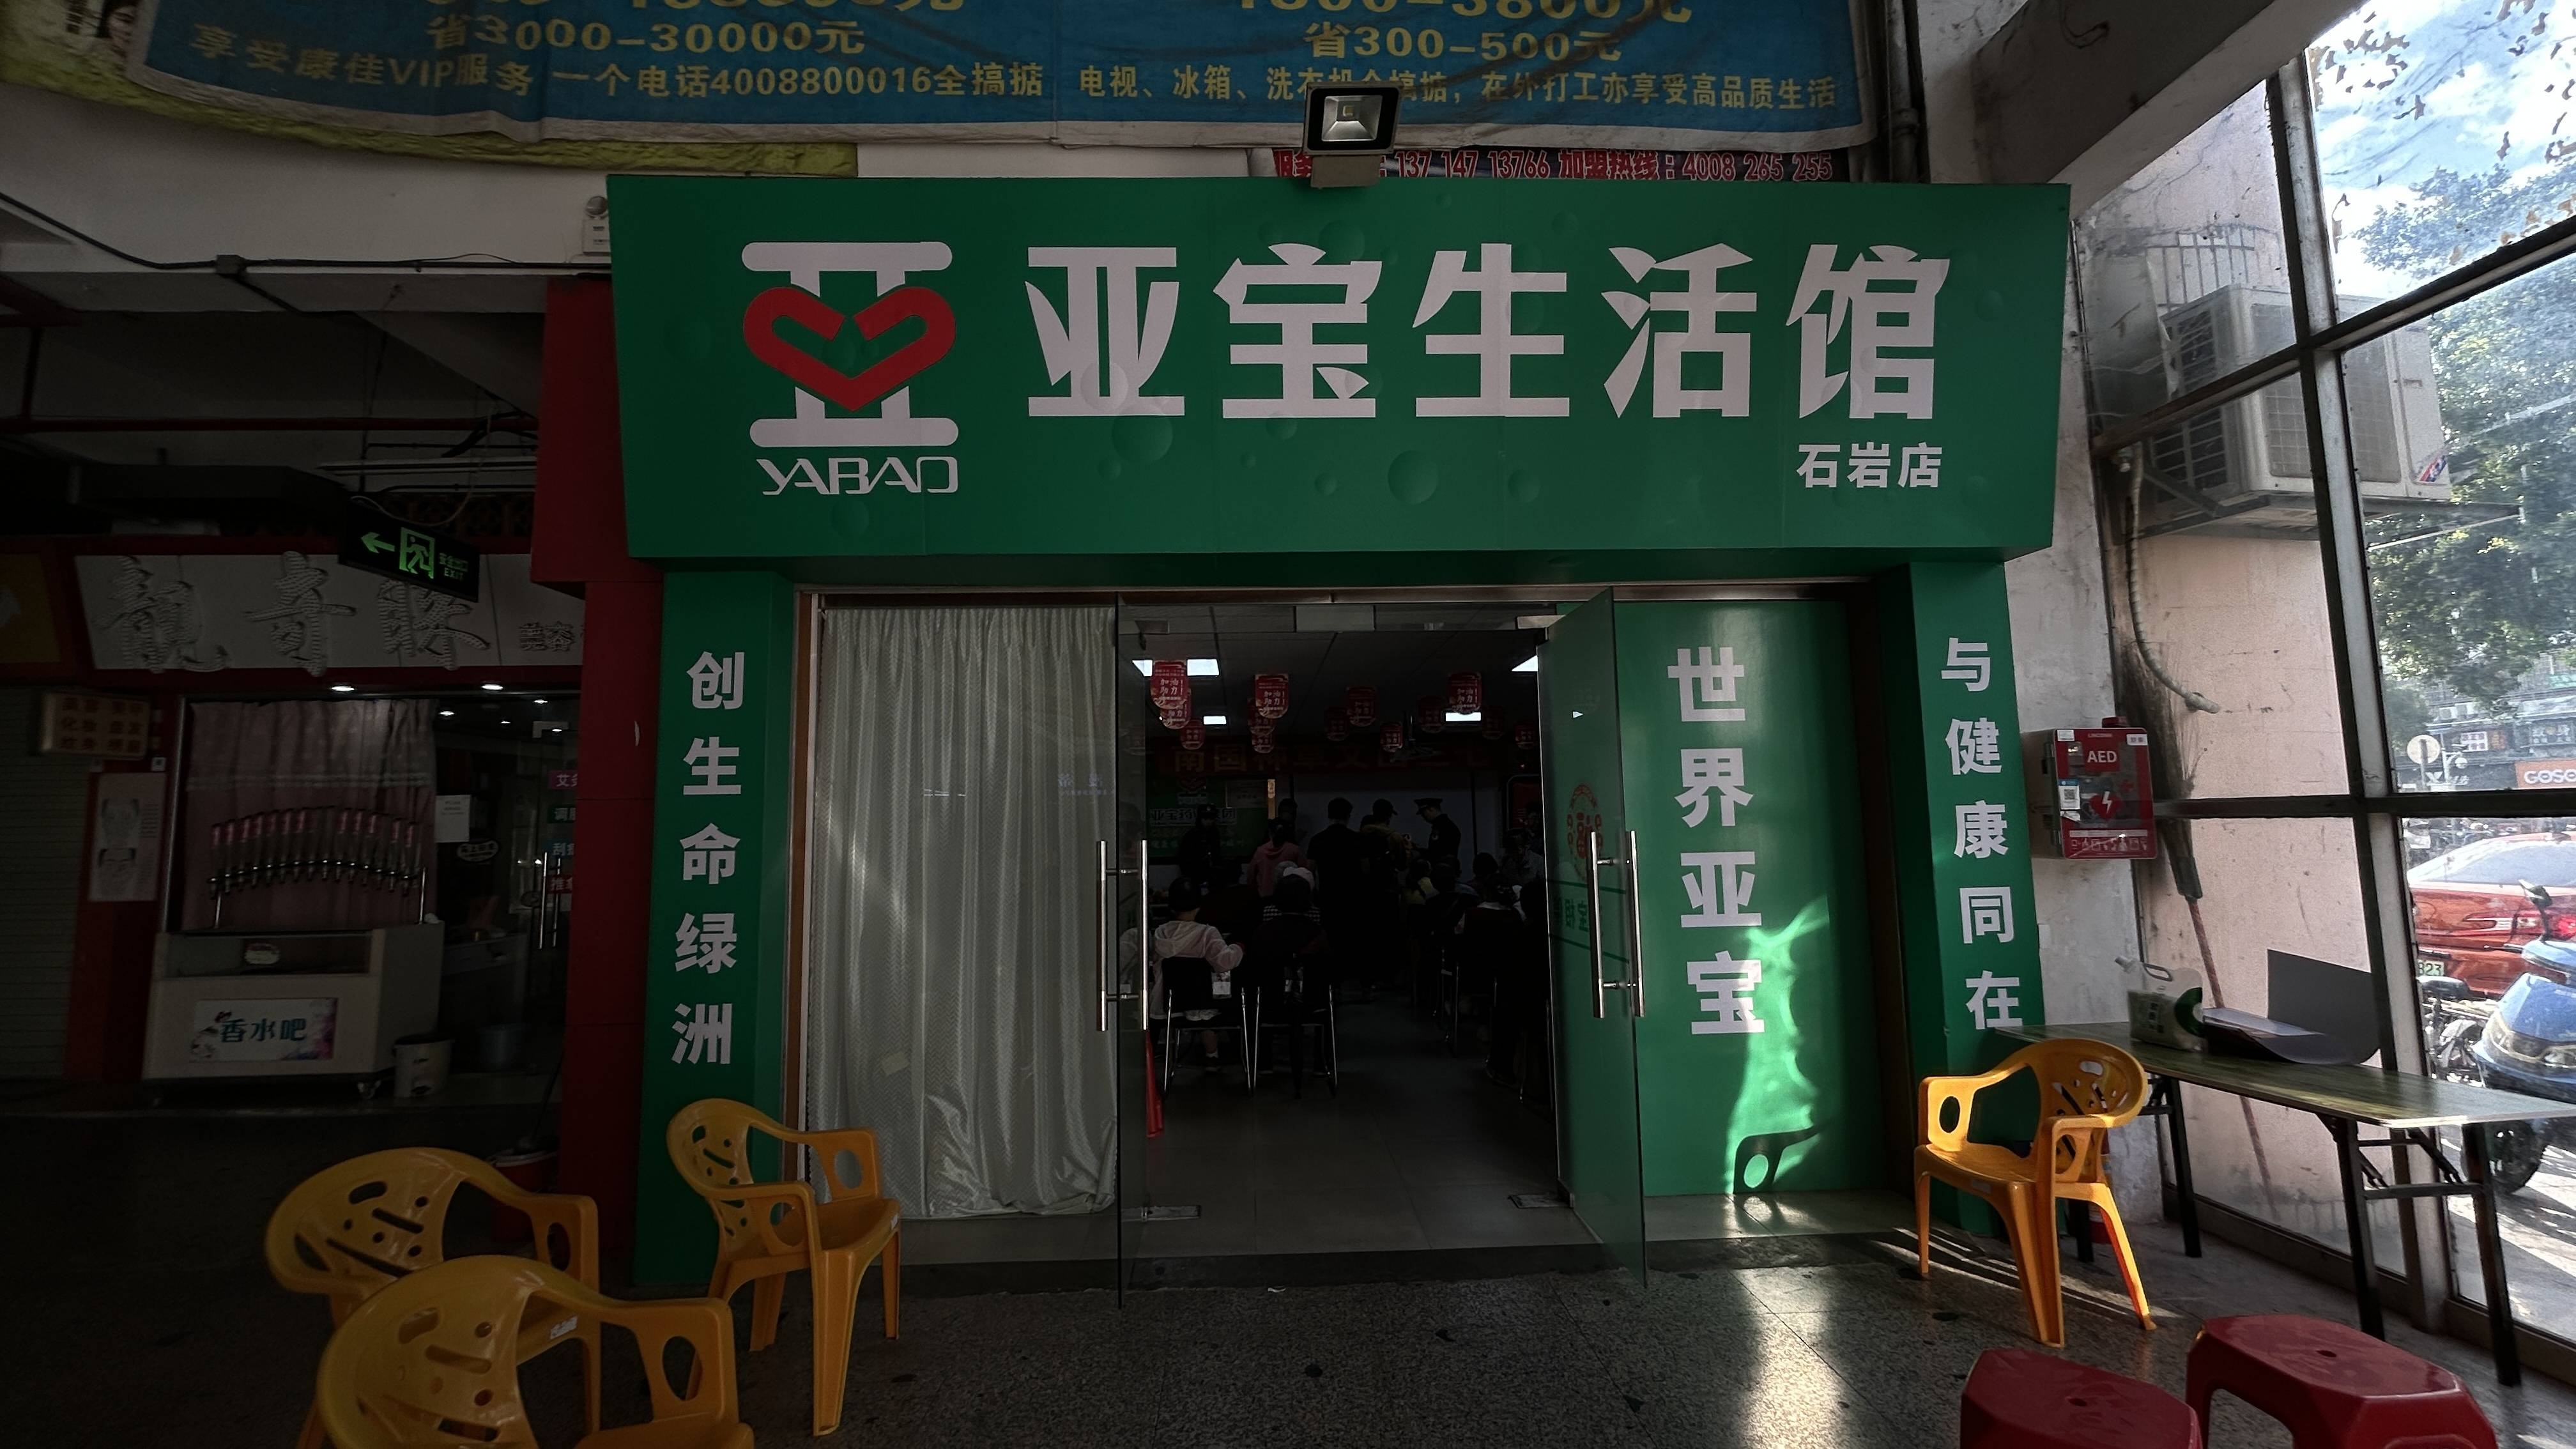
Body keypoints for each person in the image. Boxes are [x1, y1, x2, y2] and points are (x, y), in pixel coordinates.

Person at [1135, 879, 1241, 1068]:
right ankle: (1212, 1056)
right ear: (1199, 906)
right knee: (1207, 1008)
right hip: (1202, 1004)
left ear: (1171, 906)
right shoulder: (1207, 934)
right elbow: (1226, 962)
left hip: (1166, 1005)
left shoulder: (1160, 933)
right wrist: (1238, 947)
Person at [1245, 874, 1334, 1094]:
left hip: (1270, 1001)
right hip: (1312, 1001)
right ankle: (1320, 1062)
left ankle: (1264, 1061)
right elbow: (1329, 970)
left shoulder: (1263, 931)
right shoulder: (1317, 932)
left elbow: (1253, 969)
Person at [1248, 817, 1306, 898]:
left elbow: (1251, 875)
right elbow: (1304, 873)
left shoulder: (1260, 851)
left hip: (1264, 894)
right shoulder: (1294, 850)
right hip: (1289, 895)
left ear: (1270, 833)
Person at [1175, 806, 1223, 893]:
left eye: (1211, 819)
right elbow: (1184, 857)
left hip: (1213, 877)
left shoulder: (1215, 834)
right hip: (1194, 875)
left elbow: (1217, 855)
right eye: (1205, 819)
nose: (1209, 822)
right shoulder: (1192, 835)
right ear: (1200, 819)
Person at [1416, 797, 1461, 867]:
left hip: (1442, 869)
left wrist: (1418, 851)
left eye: (1423, 813)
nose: (1423, 817)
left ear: (1431, 809)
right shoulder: (1445, 825)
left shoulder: (1442, 826)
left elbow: (1436, 854)